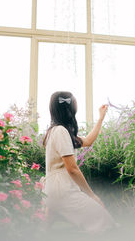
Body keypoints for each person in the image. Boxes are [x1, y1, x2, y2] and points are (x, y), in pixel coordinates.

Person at [42, 91, 116, 234]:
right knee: (104, 222)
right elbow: (72, 169)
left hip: (54, 190)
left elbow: (87, 141)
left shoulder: (55, 132)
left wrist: (101, 118)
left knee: (50, 232)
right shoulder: (61, 131)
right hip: (62, 189)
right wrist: (91, 195)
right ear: (69, 109)